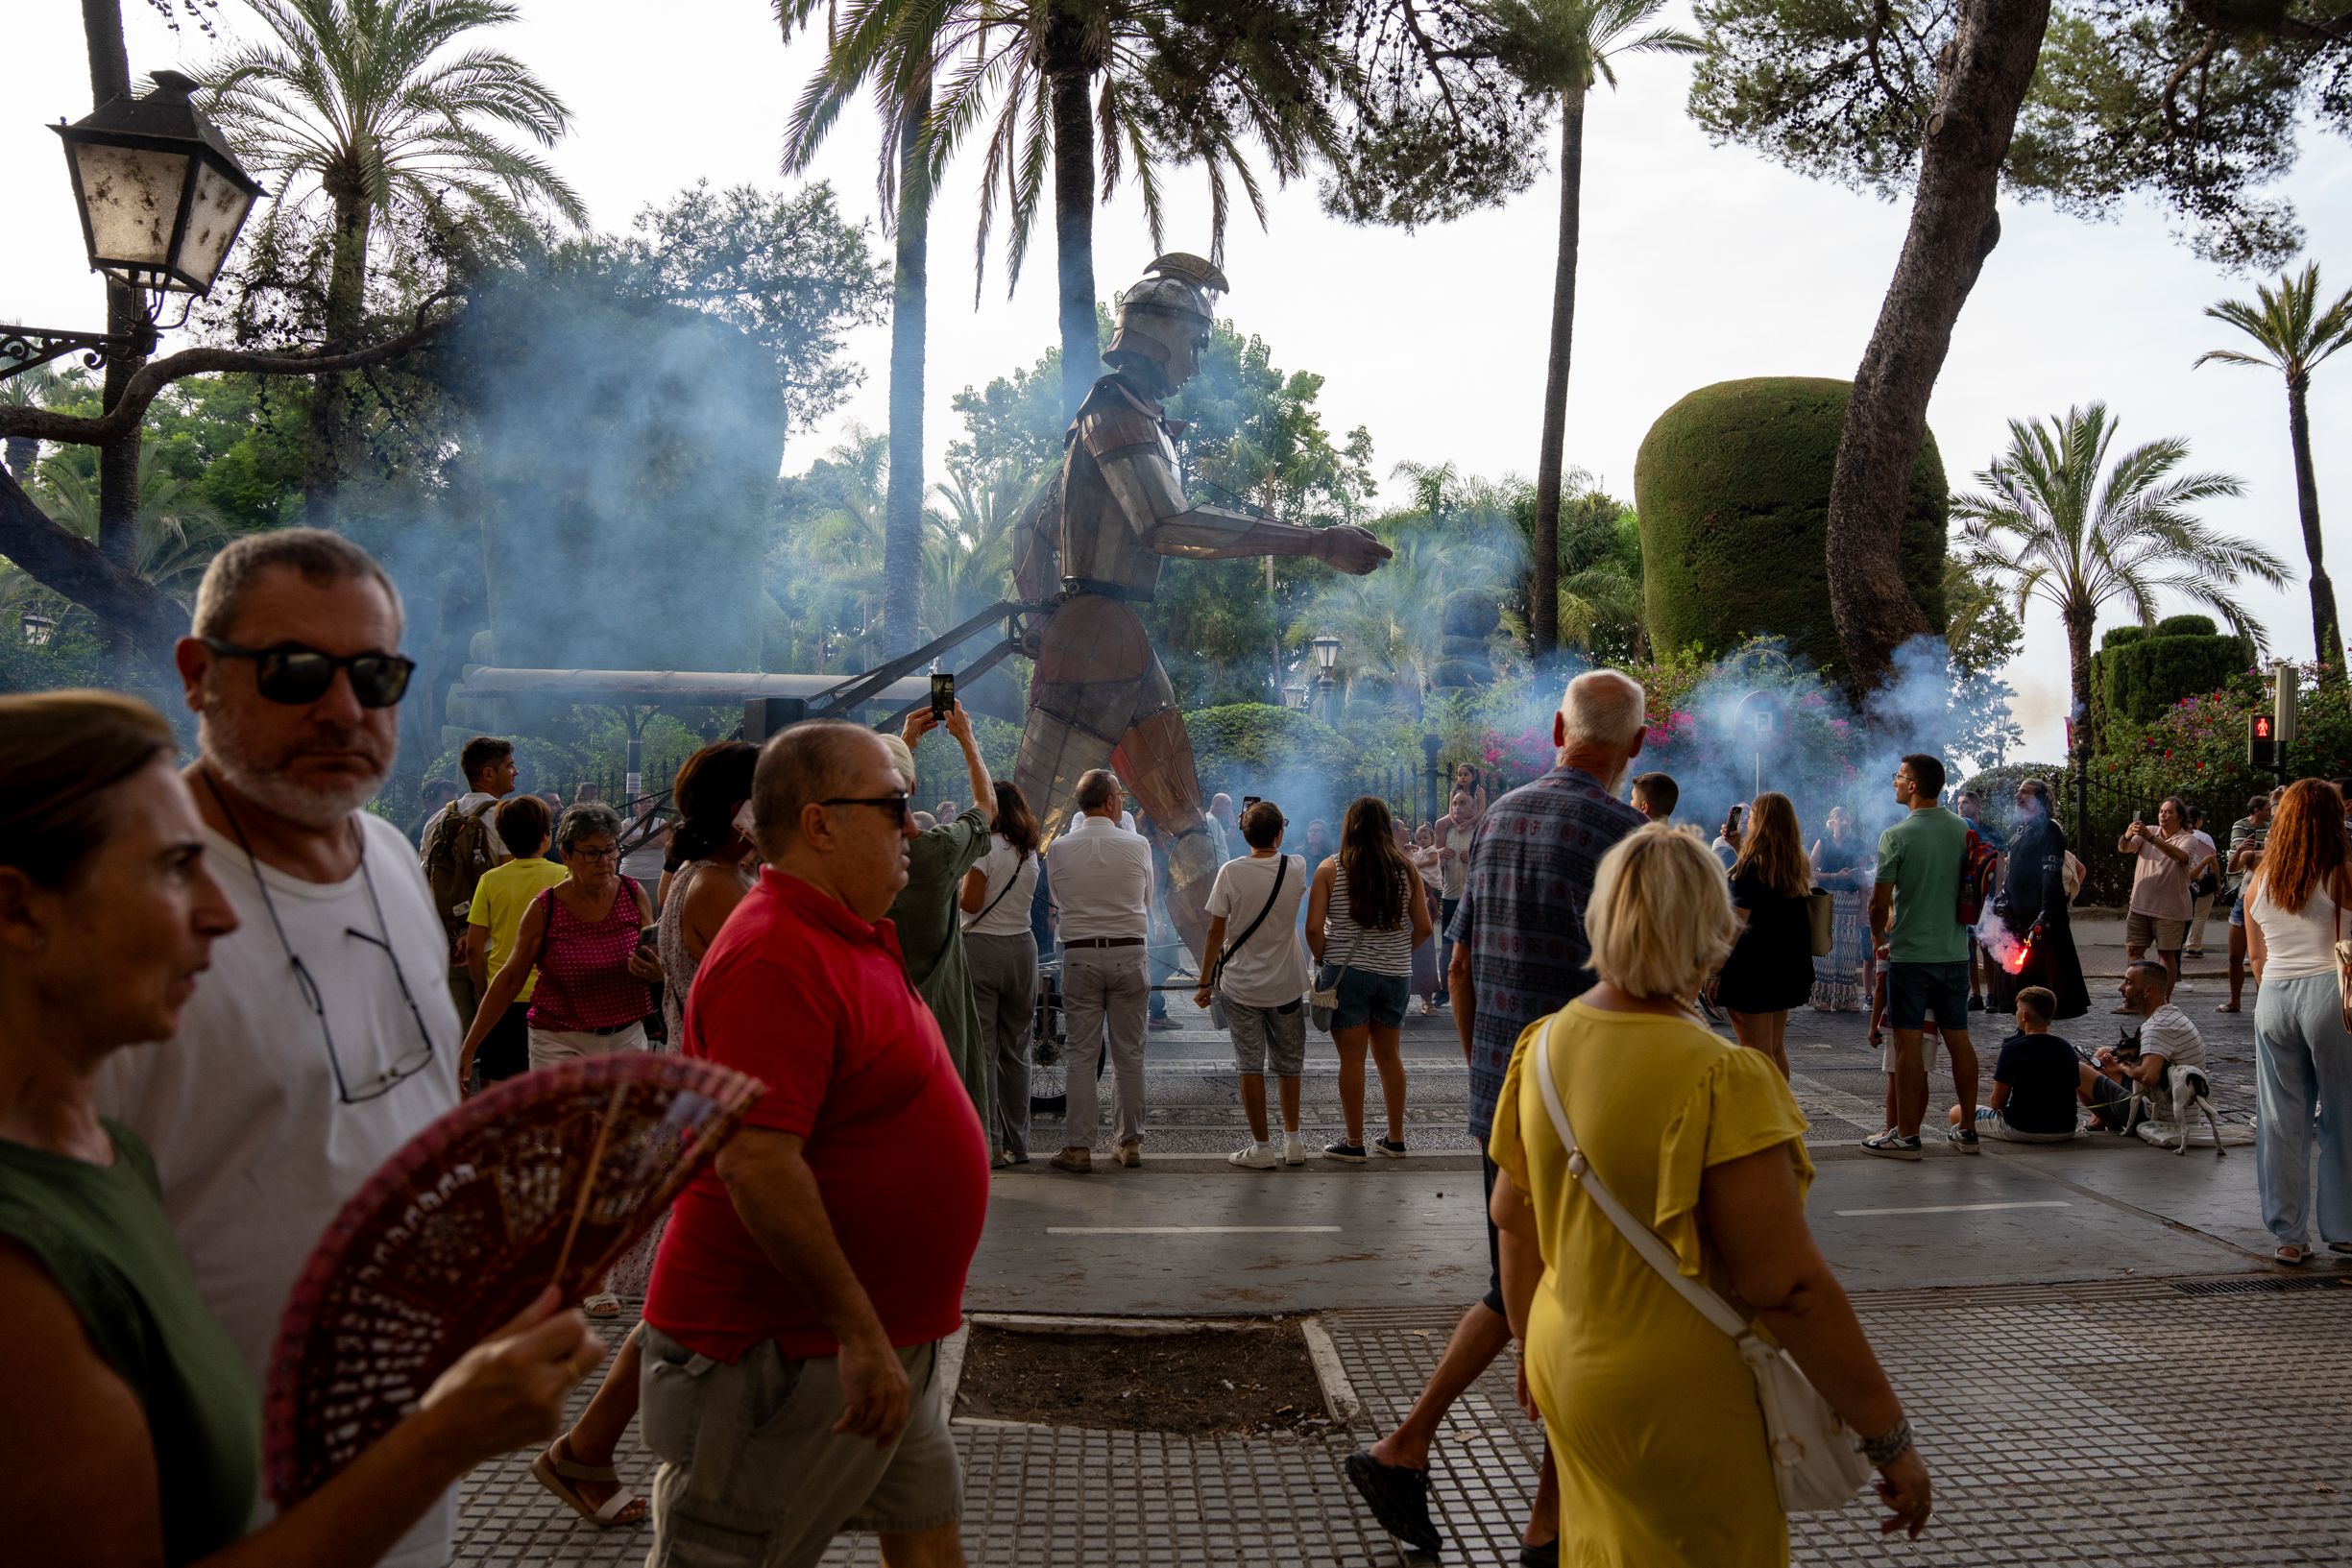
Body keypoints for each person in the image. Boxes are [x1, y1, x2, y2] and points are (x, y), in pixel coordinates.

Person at [0, 689, 606, 1568]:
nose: (217, 913)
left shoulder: (101, 1150)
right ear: (19, 907)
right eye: (173, 867)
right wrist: (440, 1436)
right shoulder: (20, 1265)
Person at [96, 529, 469, 1568]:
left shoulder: (393, 858)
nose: (342, 709)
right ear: (197, 674)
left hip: (412, 1483)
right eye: (296, 670)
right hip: (215, 1512)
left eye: (376, 674)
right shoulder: (121, 912)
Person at [1487, 823, 1931, 1564]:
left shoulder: (1542, 1045)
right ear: (1711, 928)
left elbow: (1512, 1217)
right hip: (1680, 1394)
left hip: (1568, 1364)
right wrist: (1889, 1438)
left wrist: (1533, 1345)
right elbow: (1786, 1284)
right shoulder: (1724, 1075)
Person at [641, 720, 988, 1568]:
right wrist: (858, 1333)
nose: (912, 828)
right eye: (894, 807)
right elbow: (756, 1160)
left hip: (871, 1341)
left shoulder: (840, 929)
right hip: (788, 1356)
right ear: (821, 822)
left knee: (928, 1535)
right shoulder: (773, 954)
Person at [1346, 669, 1648, 1562]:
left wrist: (1493, 1075)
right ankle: (1545, 1525)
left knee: (1516, 1290)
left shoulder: (1501, 816)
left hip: (1505, 1107)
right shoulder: (1630, 840)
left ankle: (1408, 1449)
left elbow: (1459, 962)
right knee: (1571, 1307)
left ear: (1558, 726)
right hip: (1587, 1110)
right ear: (1634, 747)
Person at [531, 740, 761, 1532]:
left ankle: (590, 1449)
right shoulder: (721, 888)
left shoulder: (707, 877)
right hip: (724, 1117)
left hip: (717, 1108)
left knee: (688, 1300)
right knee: (689, 1300)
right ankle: (616, 1453)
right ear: (740, 810)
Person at [461, 802, 657, 1088]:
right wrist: (470, 1046)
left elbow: (652, 956)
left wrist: (656, 971)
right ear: (566, 855)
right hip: (560, 1043)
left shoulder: (632, 893)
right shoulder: (545, 907)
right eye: (591, 853)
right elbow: (511, 977)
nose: (604, 861)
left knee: (620, 1130)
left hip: (626, 1037)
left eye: (610, 850)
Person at [2243, 778, 2352, 1267]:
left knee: (2280, 1121)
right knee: (2342, 1116)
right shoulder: (2342, 873)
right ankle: (2345, 1228)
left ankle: (2288, 1235)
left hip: (2274, 997)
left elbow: (2256, 958)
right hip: (2329, 992)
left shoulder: (2260, 881)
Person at [880, 704, 999, 1127]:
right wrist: (966, 738)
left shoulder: (834, 857)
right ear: (912, 785)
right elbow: (987, 805)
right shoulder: (936, 852)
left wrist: (902, 743)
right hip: (937, 1028)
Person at [1862, 754, 1980, 1160]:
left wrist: (1880, 937)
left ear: (1913, 785)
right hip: (1953, 952)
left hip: (1910, 955)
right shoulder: (1962, 829)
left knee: (1909, 1046)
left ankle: (1908, 1136)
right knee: (1959, 1040)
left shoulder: (1895, 836)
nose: (1894, 782)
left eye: (1899, 776)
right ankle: (1966, 1130)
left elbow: (1879, 903)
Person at [1308, 796, 1434, 1162]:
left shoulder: (1330, 868)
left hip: (1347, 975)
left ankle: (1354, 1142)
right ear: (1384, 827)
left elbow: (1314, 927)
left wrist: (1323, 958)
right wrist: (1395, 952)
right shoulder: (1407, 870)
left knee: (1352, 1059)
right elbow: (1425, 927)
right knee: (1390, 1056)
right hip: (1396, 975)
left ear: (1349, 827)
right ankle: (1395, 1139)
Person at [1045, 767, 1156, 1172]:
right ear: (1110, 802)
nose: (1122, 802)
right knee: (1130, 1054)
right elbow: (1145, 897)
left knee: (1080, 1054)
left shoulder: (1058, 849)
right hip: (1130, 954)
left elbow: (1059, 899)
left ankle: (1078, 1148)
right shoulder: (1138, 845)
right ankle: (1129, 1143)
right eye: (1121, 797)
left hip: (1080, 955)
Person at [1195, 801, 1313, 1169]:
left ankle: (1261, 1147)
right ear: (1280, 833)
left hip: (1241, 986)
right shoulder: (1296, 867)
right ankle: (1293, 1142)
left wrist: (1204, 982)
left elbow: (1216, 931)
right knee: (1289, 1063)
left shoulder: (1230, 872)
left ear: (1243, 833)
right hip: (1287, 983)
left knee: (1249, 1064)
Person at [961, 780, 1045, 1168]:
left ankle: (991, 1144)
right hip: (1022, 949)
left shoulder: (983, 850)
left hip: (983, 949)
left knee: (984, 1051)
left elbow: (972, 903)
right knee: (1017, 1050)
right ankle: (1020, 1143)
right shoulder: (1029, 853)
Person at [459, 794, 568, 1090]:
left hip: (503, 998)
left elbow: (472, 946)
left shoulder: (490, 881)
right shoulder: (564, 877)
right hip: (552, 997)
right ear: (546, 837)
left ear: (504, 837)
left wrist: (484, 990)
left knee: (498, 1088)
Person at [1713, 791, 1812, 1079]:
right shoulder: (1794, 863)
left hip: (1753, 970)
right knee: (1774, 1048)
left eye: (1752, 817)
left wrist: (1712, 971)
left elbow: (1736, 925)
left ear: (1762, 822)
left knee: (1755, 1053)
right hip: (1786, 965)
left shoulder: (1750, 867)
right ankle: (1783, 1117)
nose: (1747, 822)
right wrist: (1737, 847)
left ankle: (1769, 1119)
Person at [420, 735, 517, 1021]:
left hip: (446, 942)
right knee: (494, 1035)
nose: (516, 771)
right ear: (489, 773)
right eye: (510, 765)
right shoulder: (503, 816)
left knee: (456, 1036)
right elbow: (509, 882)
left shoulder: (437, 820)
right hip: (491, 947)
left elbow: (426, 878)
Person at [1984, 778, 2090, 1021]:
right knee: (2019, 977)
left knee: (2038, 977)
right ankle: (2023, 1028)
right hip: (2017, 915)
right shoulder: (2020, 830)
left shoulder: (2049, 829)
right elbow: (2013, 873)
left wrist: (2045, 914)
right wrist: (2002, 897)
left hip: (2038, 914)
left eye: (2025, 793)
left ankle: (2035, 1030)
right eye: (2018, 792)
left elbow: (2050, 875)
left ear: (2040, 800)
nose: (2018, 796)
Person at [1944, 986, 2082, 1142]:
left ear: (2024, 1016)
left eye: (2017, 1010)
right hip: (2065, 1128)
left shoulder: (2012, 1049)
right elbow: (2074, 1089)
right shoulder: (2066, 1048)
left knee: (1957, 1111)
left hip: (2020, 1128)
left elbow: (1996, 1102)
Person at [2119, 795, 2196, 992]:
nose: (2163, 815)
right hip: (2140, 905)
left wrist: (2151, 839)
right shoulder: (2149, 831)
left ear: (2180, 817)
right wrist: (2127, 835)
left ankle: (2163, 1002)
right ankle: (2135, 998)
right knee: (2133, 950)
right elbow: (2124, 848)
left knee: (2166, 956)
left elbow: (2180, 856)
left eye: (2169, 812)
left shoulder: (2188, 839)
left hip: (2170, 910)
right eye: (2161, 811)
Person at [1808, 805, 1872, 1013]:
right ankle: (1822, 998)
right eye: (1839, 819)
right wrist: (1835, 876)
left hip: (1850, 901)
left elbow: (1862, 877)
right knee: (1825, 949)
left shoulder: (1857, 844)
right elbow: (1809, 872)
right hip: (1826, 899)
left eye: (1846, 819)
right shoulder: (1823, 843)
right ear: (1831, 822)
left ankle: (1846, 999)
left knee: (1847, 950)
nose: (1843, 823)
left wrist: (1864, 909)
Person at [2220, 789, 2275, 1013]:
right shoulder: (2251, 851)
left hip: (2268, 905)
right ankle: (2235, 1000)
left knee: (2262, 957)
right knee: (2235, 956)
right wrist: (2241, 851)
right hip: (2243, 902)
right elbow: (2232, 868)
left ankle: (2262, 1002)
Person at [1953, 789, 2001, 1011]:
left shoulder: (1990, 832)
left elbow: (2000, 864)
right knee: (1968, 947)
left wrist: (1998, 893)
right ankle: (1976, 994)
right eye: (1959, 803)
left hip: (1986, 896)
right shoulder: (1956, 830)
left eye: (1965, 803)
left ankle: (1992, 993)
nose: (1961, 806)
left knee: (1987, 944)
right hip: (1964, 894)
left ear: (1977, 806)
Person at [1433, 789, 1477, 1007]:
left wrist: (1474, 857)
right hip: (1450, 896)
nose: (1457, 807)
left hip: (1473, 898)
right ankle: (1444, 990)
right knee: (1448, 945)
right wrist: (1440, 854)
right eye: (1454, 803)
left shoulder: (1478, 830)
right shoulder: (1446, 832)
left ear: (1474, 808)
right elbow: (1433, 867)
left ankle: (1473, 989)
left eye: (1462, 803)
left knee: (1473, 945)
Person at [1407, 823, 1445, 1015]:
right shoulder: (1411, 852)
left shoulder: (1429, 852)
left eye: (1425, 838)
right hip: (1403, 908)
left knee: (1424, 949)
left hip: (1425, 898)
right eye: (1417, 837)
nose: (1419, 841)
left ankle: (1427, 1000)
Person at [2183, 804, 2221, 961]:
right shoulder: (2203, 838)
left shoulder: (2179, 834)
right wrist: (2217, 882)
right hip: (2200, 881)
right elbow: (2213, 862)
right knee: (2199, 915)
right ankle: (2193, 947)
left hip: (2183, 880)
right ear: (2198, 819)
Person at [409, 775, 460, 848]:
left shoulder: (453, 827)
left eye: (456, 802)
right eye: (449, 802)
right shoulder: (417, 834)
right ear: (430, 804)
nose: (455, 807)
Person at [1711, 802, 1745, 870]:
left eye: (1749, 815)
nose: (1746, 818)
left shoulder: (1754, 844)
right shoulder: (1720, 841)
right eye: (1743, 814)